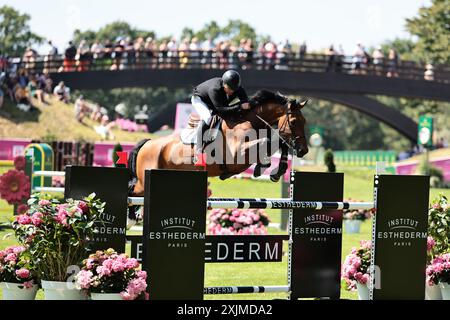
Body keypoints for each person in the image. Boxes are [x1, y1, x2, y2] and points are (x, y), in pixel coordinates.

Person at [191, 70, 250, 166]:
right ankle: (198, 153)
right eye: (229, 89)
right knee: (208, 118)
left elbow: (246, 102)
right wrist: (239, 106)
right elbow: (221, 111)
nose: (232, 91)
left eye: (234, 89)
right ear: (224, 84)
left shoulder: (237, 88)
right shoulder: (215, 89)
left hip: (217, 102)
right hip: (200, 99)